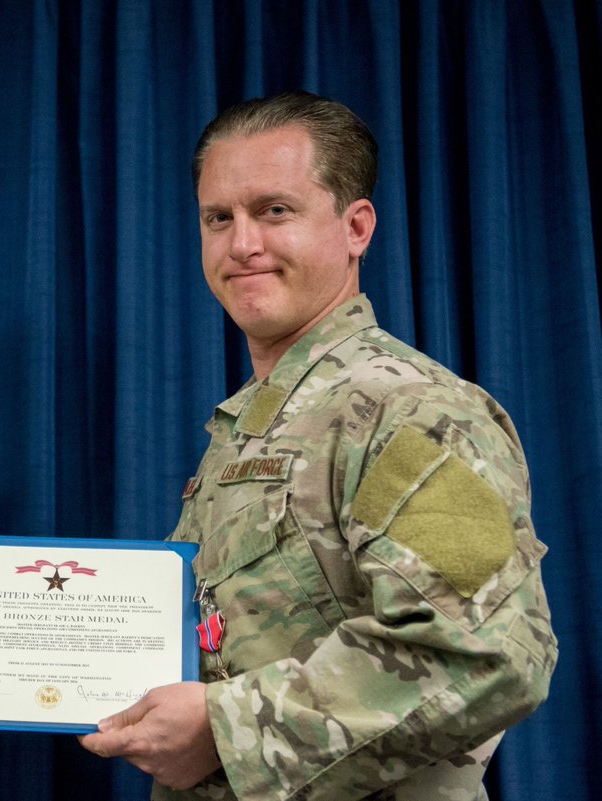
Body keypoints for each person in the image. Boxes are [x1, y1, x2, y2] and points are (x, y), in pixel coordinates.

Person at [80, 91, 556, 799]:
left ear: (355, 226)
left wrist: (225, 728)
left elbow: (488, 651)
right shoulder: (253, 427)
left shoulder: (411, 409)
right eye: (219, 218)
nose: (242, 244)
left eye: (275, 210)